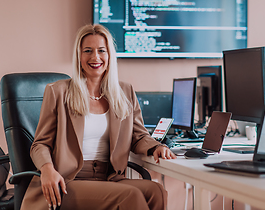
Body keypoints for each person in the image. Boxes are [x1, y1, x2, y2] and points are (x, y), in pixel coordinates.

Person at [20, 24, 177, 210]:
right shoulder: (58, 92)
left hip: (108, 176)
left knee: (155, 191)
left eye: (101, 50)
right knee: (130, 195)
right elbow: (40, 144)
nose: (95, 57)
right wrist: (47, 169)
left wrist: (156, 147)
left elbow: (138, 135)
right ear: (79, 56)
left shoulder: (124, 92)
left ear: (109, 55)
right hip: (68, 180)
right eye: (88, 51)